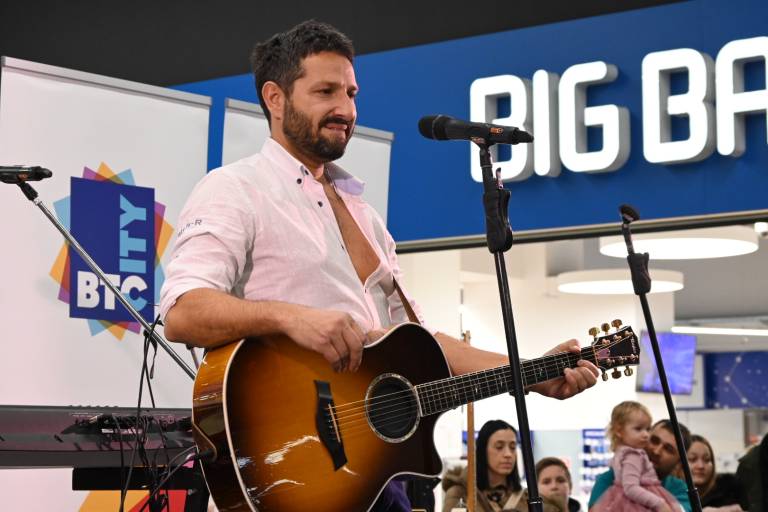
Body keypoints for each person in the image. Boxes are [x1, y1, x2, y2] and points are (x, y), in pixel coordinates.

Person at [159, 20, 599, 512]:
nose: (346, 109)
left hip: (374, 480)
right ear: (275, 98)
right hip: (292, 479)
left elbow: (422, 343)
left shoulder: (364, 215)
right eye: (325, 91)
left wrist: (531, 373)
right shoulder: (236, 189)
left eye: (351, 93)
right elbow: (182, 311)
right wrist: (291, 317)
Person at [442, 420, 562, 512]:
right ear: (483, 451)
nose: (508, 454)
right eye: (499, 447)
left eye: (513, 447)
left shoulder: (529, 498)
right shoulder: (460, 494)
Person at [589, 401, 681, 512]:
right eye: (638, 429)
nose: (646, 435)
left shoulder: (621, 452)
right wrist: (660, 504)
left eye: (648, 429)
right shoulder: (633, 455)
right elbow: (631, 487)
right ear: (619, 431)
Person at [687, 434, 743, 511]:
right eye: (692, 459)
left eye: (707, 459)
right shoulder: (673, 495)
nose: (701, 466)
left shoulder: (731, 490)